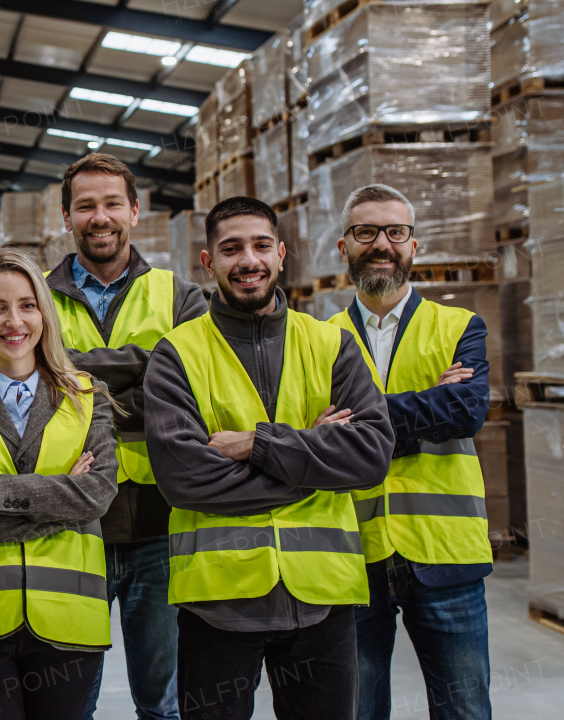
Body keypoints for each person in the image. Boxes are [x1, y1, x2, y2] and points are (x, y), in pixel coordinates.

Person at [144, 197, 395, 719]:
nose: (248, 260)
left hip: (321, 598)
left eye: (260, 246)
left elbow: (370, 455)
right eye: (231, 249)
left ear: (281, 254)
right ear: (208, 263)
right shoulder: (176, 353)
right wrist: (314, 457)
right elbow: (184, 478)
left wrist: (254, 444)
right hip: (218, 601)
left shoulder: (332, 344)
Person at [0, 248, 120, 720]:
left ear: (45, 315)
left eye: (28, 305)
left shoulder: (89, 398)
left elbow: (97, 495)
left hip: (68, 618)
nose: (14, 320)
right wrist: (56, 497)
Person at [45, 153, 208, 720]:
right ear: (67, 216)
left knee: (162, 703)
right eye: (85, 205)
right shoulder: (35, 298)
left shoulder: (179, 295)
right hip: (71, 527)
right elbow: (38, 397)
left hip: (160, 529)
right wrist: (149, 363)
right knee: (68, 703)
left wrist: (81, 378)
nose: (100, 216)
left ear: (134, 212)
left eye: (112, 203)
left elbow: (187, 394)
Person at [326, 184, 494, 720]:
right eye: (366, 232)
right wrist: (427, 407)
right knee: (356, 709)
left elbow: (465, 412)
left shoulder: (460, 325)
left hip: (446, 555)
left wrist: (361, 418)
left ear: (414, 245)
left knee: (464, 709)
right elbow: (312, 438)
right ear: (344, 246)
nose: (382, 244)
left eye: (395, 232)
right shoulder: (316, 337)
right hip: (352, 556)